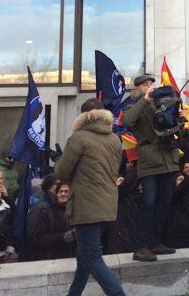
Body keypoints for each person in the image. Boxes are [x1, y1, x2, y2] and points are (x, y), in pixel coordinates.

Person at [55, 98, 125, 296]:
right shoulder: (114, 139)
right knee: (84, 257)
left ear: (83, 117)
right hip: (107, 204)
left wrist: (60, 158)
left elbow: (62, 173)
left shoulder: (79, 138)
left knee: (92, 258)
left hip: (86, 205)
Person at [121, 81, 185, 261]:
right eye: (145, 84)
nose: (150, 86)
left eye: (151, 83)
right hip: (150, 162)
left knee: (164, 202)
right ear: (138, 88)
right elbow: (126, 121)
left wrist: (180, 118)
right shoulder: (133, 106)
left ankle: (154, 241)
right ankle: (140, 246)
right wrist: (145, 100)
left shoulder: (166, 104)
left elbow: (177, 132)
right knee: (149, 202)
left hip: (168, 160)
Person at [32, 183, 77, 260]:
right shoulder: (46, 212)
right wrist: (63, 237)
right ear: (56, 194)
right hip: (53, 258)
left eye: (66, 191)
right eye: (60, 191)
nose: (63, 194)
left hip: (75, 257)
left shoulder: (78, 212)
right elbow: (40, 238)